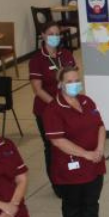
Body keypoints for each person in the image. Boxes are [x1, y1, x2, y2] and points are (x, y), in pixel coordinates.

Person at [44, 67, 109, 217]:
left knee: (92, 202)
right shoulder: (54, 109)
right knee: (73, 205)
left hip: (94, 162)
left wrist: (99, 149)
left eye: (77, 80)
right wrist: (86, 154)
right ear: (60, 84)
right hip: (71, 167)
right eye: (70, 82)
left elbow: (100, 126)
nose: (75, 85)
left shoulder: (86, 101)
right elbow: (57, 141)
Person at [29, 21, 77, 196]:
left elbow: (73, 79)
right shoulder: (36, 60)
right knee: (52, 147)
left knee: (70, 143)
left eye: (57, 34)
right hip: (47, 110)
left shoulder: (66, 55)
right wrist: (57, 106)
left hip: (68, 108)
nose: (55, 37)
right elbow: (37, 89)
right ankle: (57, 183)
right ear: (42, 35)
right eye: (51, 34)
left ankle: (71, 176)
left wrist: (73, 103)